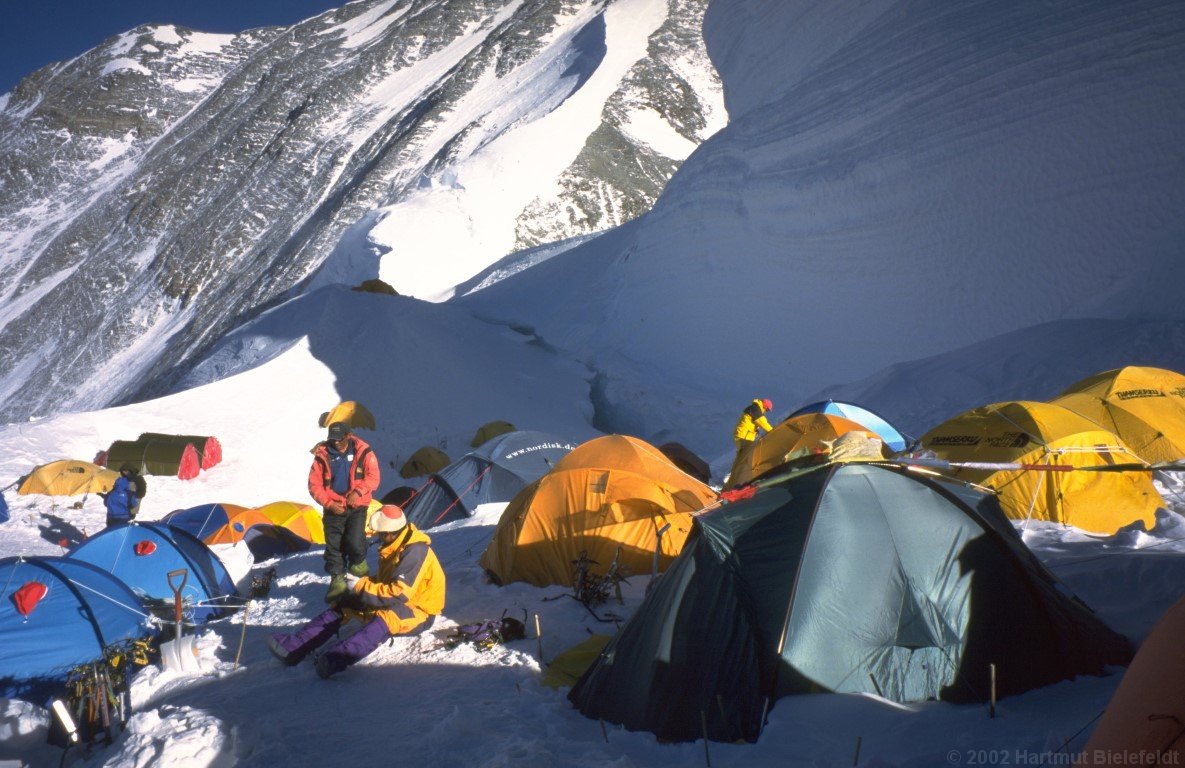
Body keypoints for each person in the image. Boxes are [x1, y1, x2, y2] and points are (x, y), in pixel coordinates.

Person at [267, 504, 446, 679]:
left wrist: (361, 586)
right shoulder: (397, 545)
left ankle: (335, 660)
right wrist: (360, 586)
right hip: (398, 600)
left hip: (419, 610)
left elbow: (399, 593)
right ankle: (294, 647)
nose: (379, 537)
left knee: (388, 618)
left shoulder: (415, 552)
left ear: (391, 533)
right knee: (346, 603)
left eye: (381, 534)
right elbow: (387, 582)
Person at [309, 421, 381, 602]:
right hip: (333, 506)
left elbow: (373, 477)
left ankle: (359, 572)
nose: (336, 443)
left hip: (357, 505)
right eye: (333, 440)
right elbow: (314, 485)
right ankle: (338, 581)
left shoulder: (363, 451)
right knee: (334, 546)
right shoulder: (322, 455)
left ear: (348, 436)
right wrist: (328, 503)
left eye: (340, 440)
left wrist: (358, 492)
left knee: (355, 542)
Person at [728, 398, 776, 487]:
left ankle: (735, 479)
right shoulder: (756, 410)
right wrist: (774, 431)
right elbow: (763, 423)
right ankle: (736, 481)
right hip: (744, 437)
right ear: (764, 406)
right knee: (745, 459)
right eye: (767, 410)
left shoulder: (754, 408)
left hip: (742, 435)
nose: (766, 411)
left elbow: (751, 423)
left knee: (742, 457)